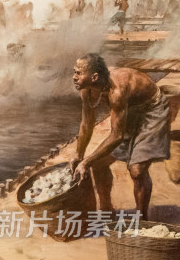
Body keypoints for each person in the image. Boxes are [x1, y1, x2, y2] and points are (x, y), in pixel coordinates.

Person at [71, 53, 170, 220]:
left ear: (94, 77)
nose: (74, 77)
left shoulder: (116, 90)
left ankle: (142, 219)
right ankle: (106, 211)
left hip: (151, 112)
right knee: (98, 163)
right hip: (129, 112)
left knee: (137, 170)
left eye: (78, 73)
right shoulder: (86, 91)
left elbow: (116, 136)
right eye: (74, 72)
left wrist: (86, 162)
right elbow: (86, 124)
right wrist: (78, 155)